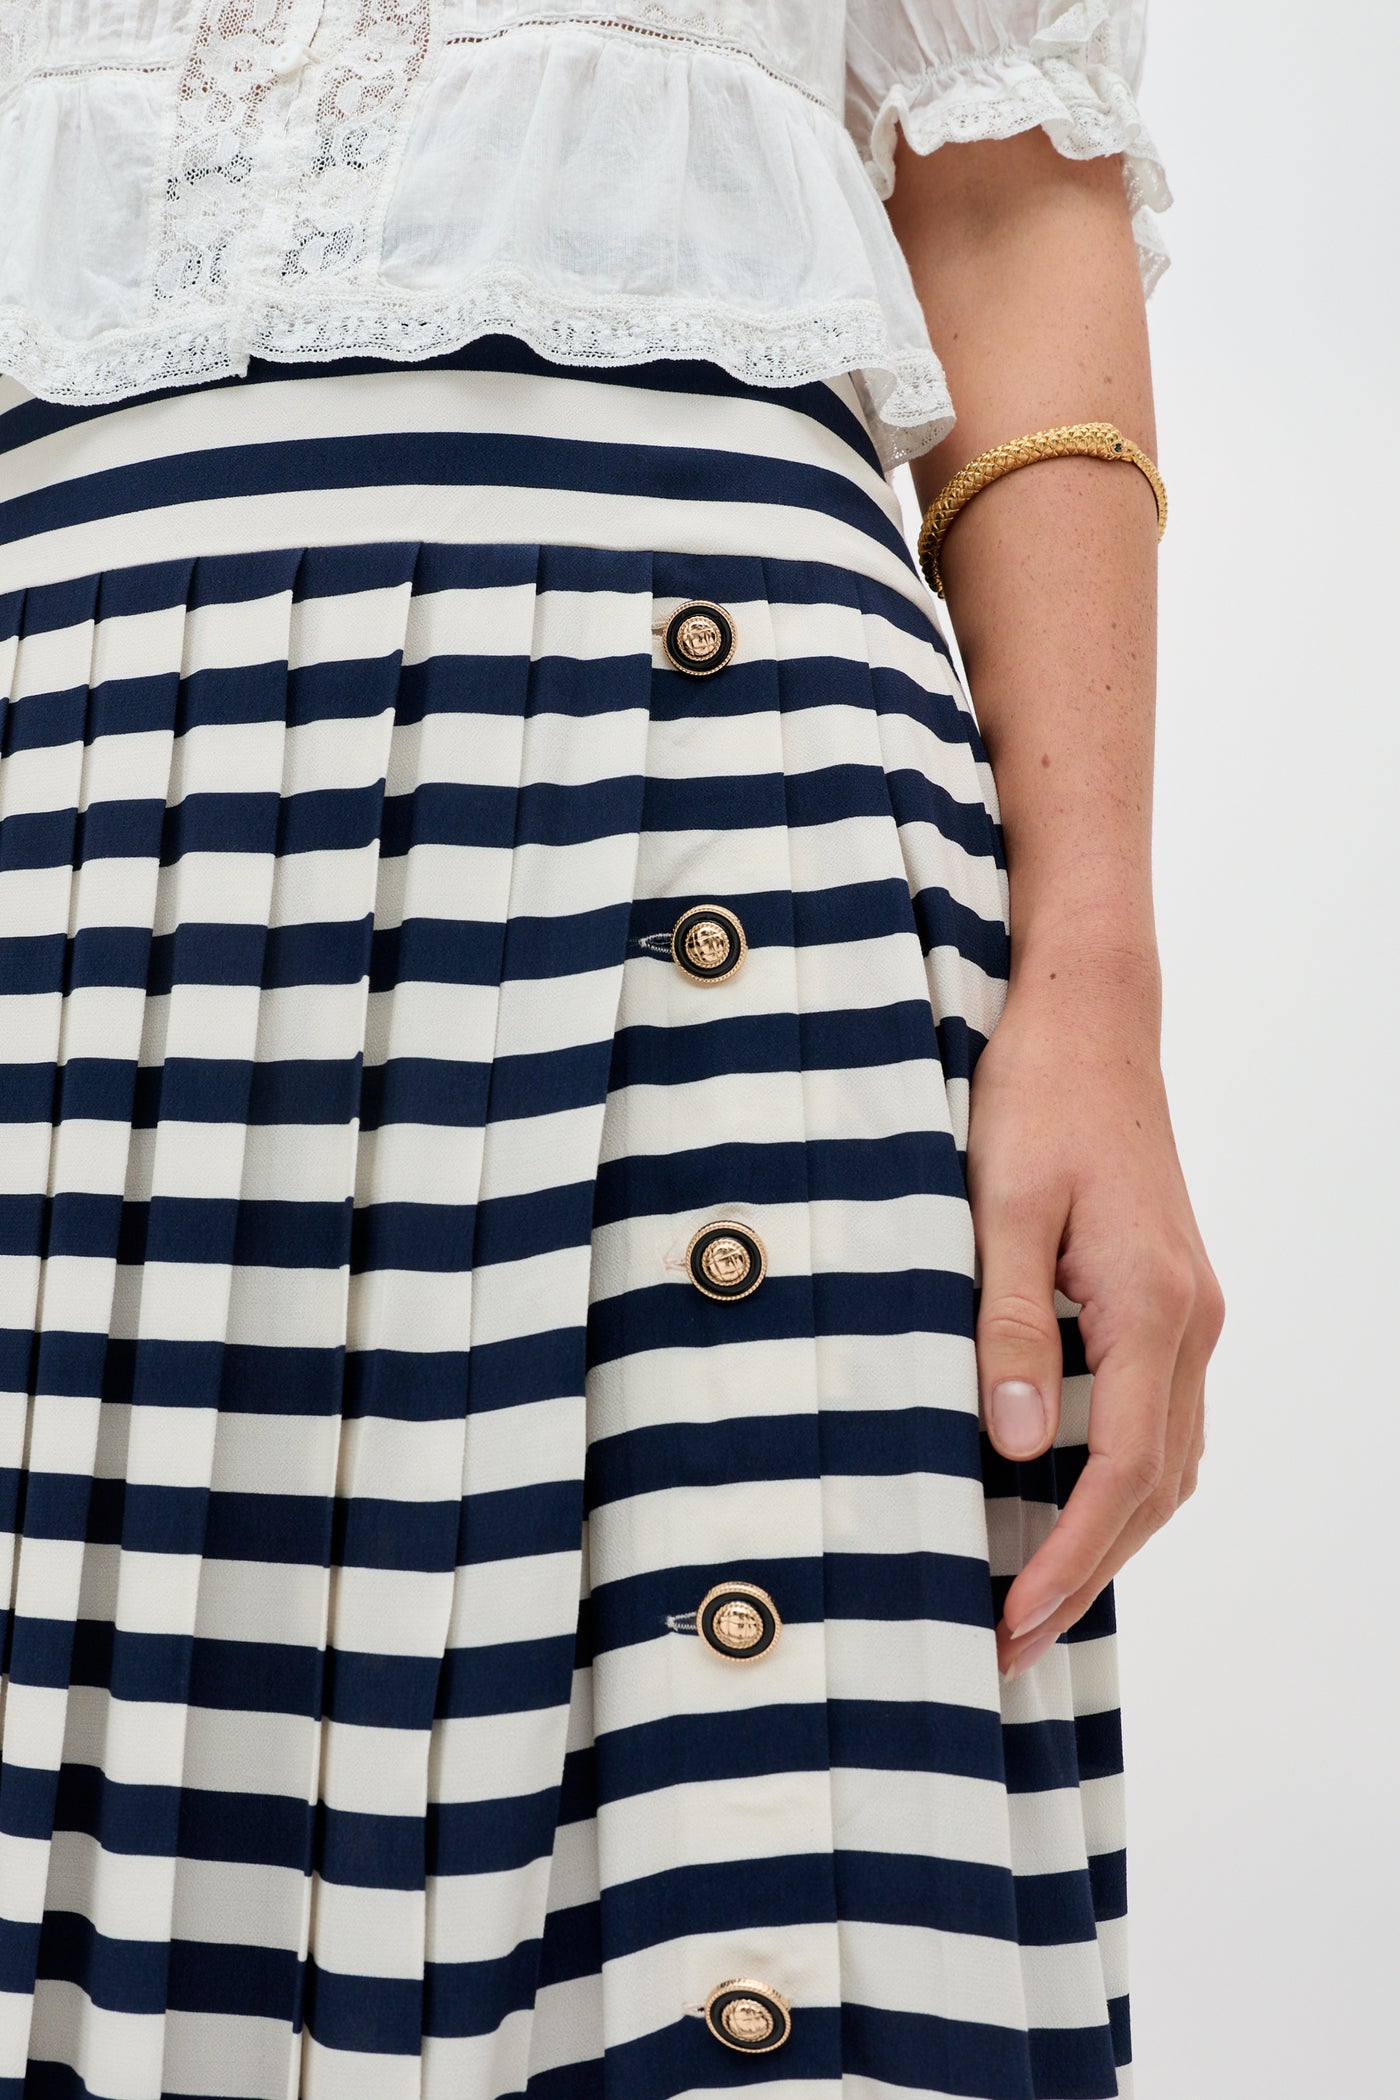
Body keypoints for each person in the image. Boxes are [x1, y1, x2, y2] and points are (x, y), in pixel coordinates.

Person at [0, 4, 1223, 2096]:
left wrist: (1096, 985)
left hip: (707, 783)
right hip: (73, 828)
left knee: (745, 1900)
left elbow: (1013, 195)